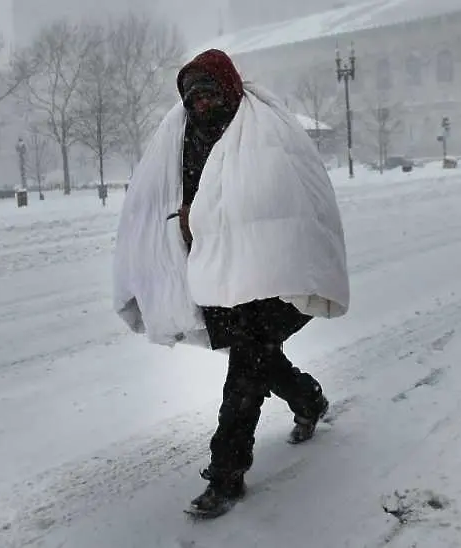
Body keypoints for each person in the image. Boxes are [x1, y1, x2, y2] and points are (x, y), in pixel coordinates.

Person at [113, 49, 349, 519]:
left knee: (246, 366)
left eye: (208, 92)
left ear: (229, 88)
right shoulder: (181, 139)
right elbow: (160, 194)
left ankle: (226, 475)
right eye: (192, 96)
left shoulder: (263, 132)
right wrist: (179, 226)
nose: (201, 104)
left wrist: (198, 217)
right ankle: (310, 398)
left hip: (270, 274)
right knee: (258, 359)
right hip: (217, 271)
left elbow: (279, 197)